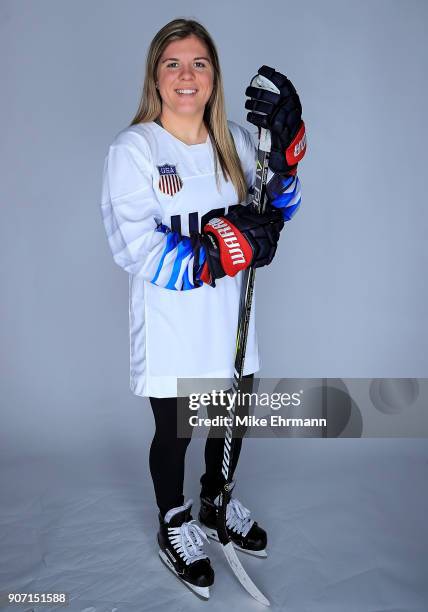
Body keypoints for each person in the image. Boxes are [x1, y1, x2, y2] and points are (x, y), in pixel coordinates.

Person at [100, 18, 306, 599]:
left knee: (232, 413)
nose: (186, 75)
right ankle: (175, 518)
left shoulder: (236, 143)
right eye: (173, 63)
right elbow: (134, 246)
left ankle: (217, 500)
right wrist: (220, 249)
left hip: (231, 318)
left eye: (199, 63)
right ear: (155, 76)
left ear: (214, 76)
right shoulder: (135, 149)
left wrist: (285, 158)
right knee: (177, 428)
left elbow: (274, 213)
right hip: (172, 326)